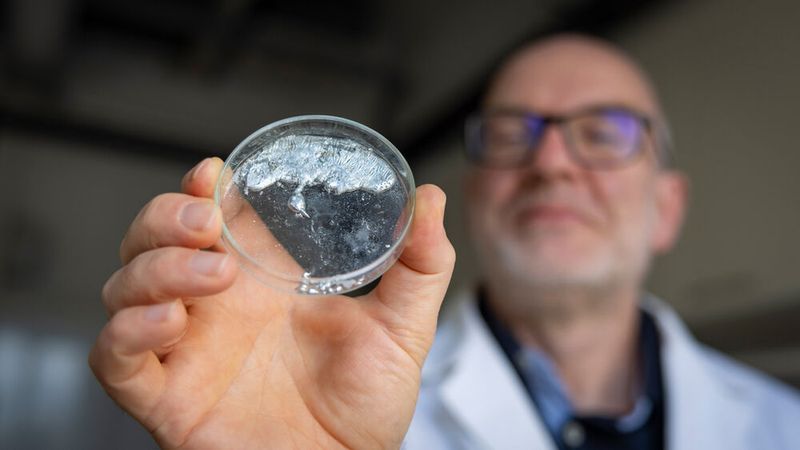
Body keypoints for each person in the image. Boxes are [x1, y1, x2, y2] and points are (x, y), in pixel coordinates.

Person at [89, 33, 799, 449]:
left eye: (605, 135)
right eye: (512, 133)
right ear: (469, 193)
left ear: (668, 207)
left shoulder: (783, 427)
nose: (550, 164)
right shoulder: (318, 401)